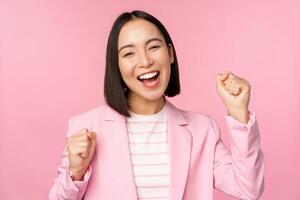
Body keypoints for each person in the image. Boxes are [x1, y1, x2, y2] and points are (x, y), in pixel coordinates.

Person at [48, 10, 264, 200]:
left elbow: (249, 190)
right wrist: (76, 172)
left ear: (170, 54)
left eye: (153, 47)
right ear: (117, 66)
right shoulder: (87, 126)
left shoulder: (202, 129)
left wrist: (238, 114)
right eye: (129, 53)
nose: (145, 61)